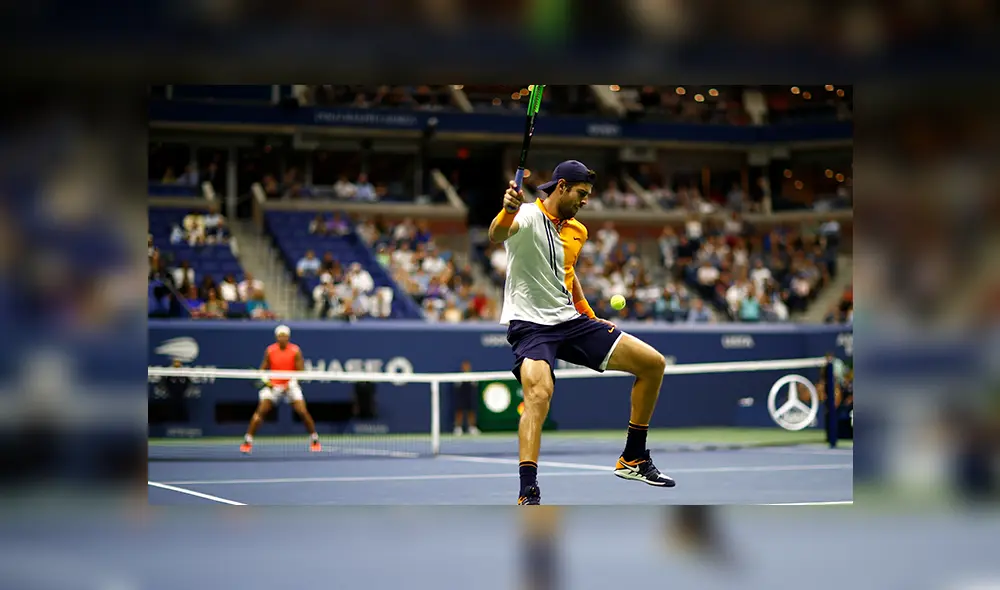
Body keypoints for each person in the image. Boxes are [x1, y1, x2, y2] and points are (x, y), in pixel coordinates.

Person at [488, 160, 675, 505]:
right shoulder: (526, 216)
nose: (586, 200)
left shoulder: (578, 231)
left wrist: (591, 317)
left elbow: (568, 276)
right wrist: (507, 210)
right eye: (581, 193)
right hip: (530, 325)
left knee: (653, 363)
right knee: (539, 395)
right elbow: (498, 234)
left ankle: (633, 457)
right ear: (561, 186)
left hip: (570, 321)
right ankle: (528, 491)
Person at [241, 325, 321, 454]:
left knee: (302, 411)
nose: (282, 338)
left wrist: (291, 383)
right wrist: (268, 383)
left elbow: (301, 372)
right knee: (260, 412)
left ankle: (314, 439)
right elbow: (262, 370)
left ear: (288, 337)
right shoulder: (270, 350)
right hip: (274, 386)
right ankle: (247, 441)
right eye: (280, 335)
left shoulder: (295, 351)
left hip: (291, 385)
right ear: (276, 337)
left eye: (284, 335)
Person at [453, 360, 481, 436]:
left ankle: (472, 428)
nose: (466, 367)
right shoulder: (458, 377)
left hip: (469, 397)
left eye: (467, 366)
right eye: (464, 366)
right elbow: (456, 386)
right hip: (461, 398)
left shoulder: (473, 377)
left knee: (471, 412)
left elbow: (475, 385)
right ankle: (458, 428)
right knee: (459, 412)